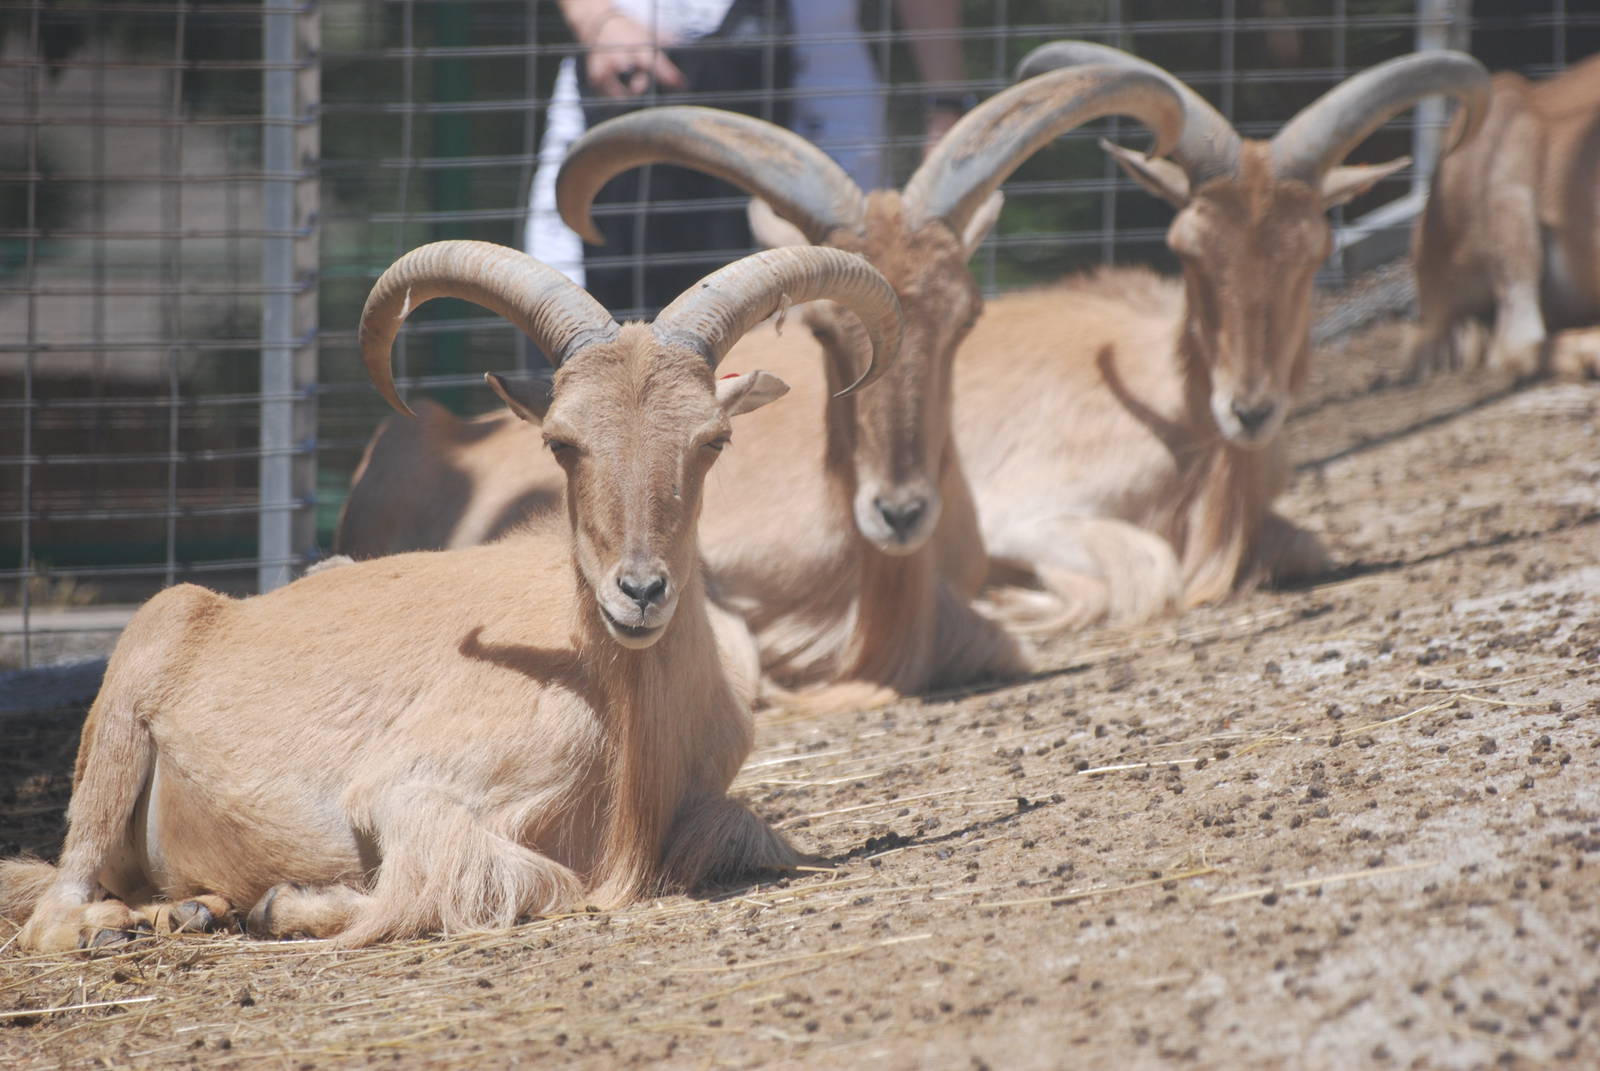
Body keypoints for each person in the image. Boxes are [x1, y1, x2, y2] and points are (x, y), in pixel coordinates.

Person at [527, 0, 964, 319]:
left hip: (822, 100)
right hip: (630, 83)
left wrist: (947, 102)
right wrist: (596, 18)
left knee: (837, 319)